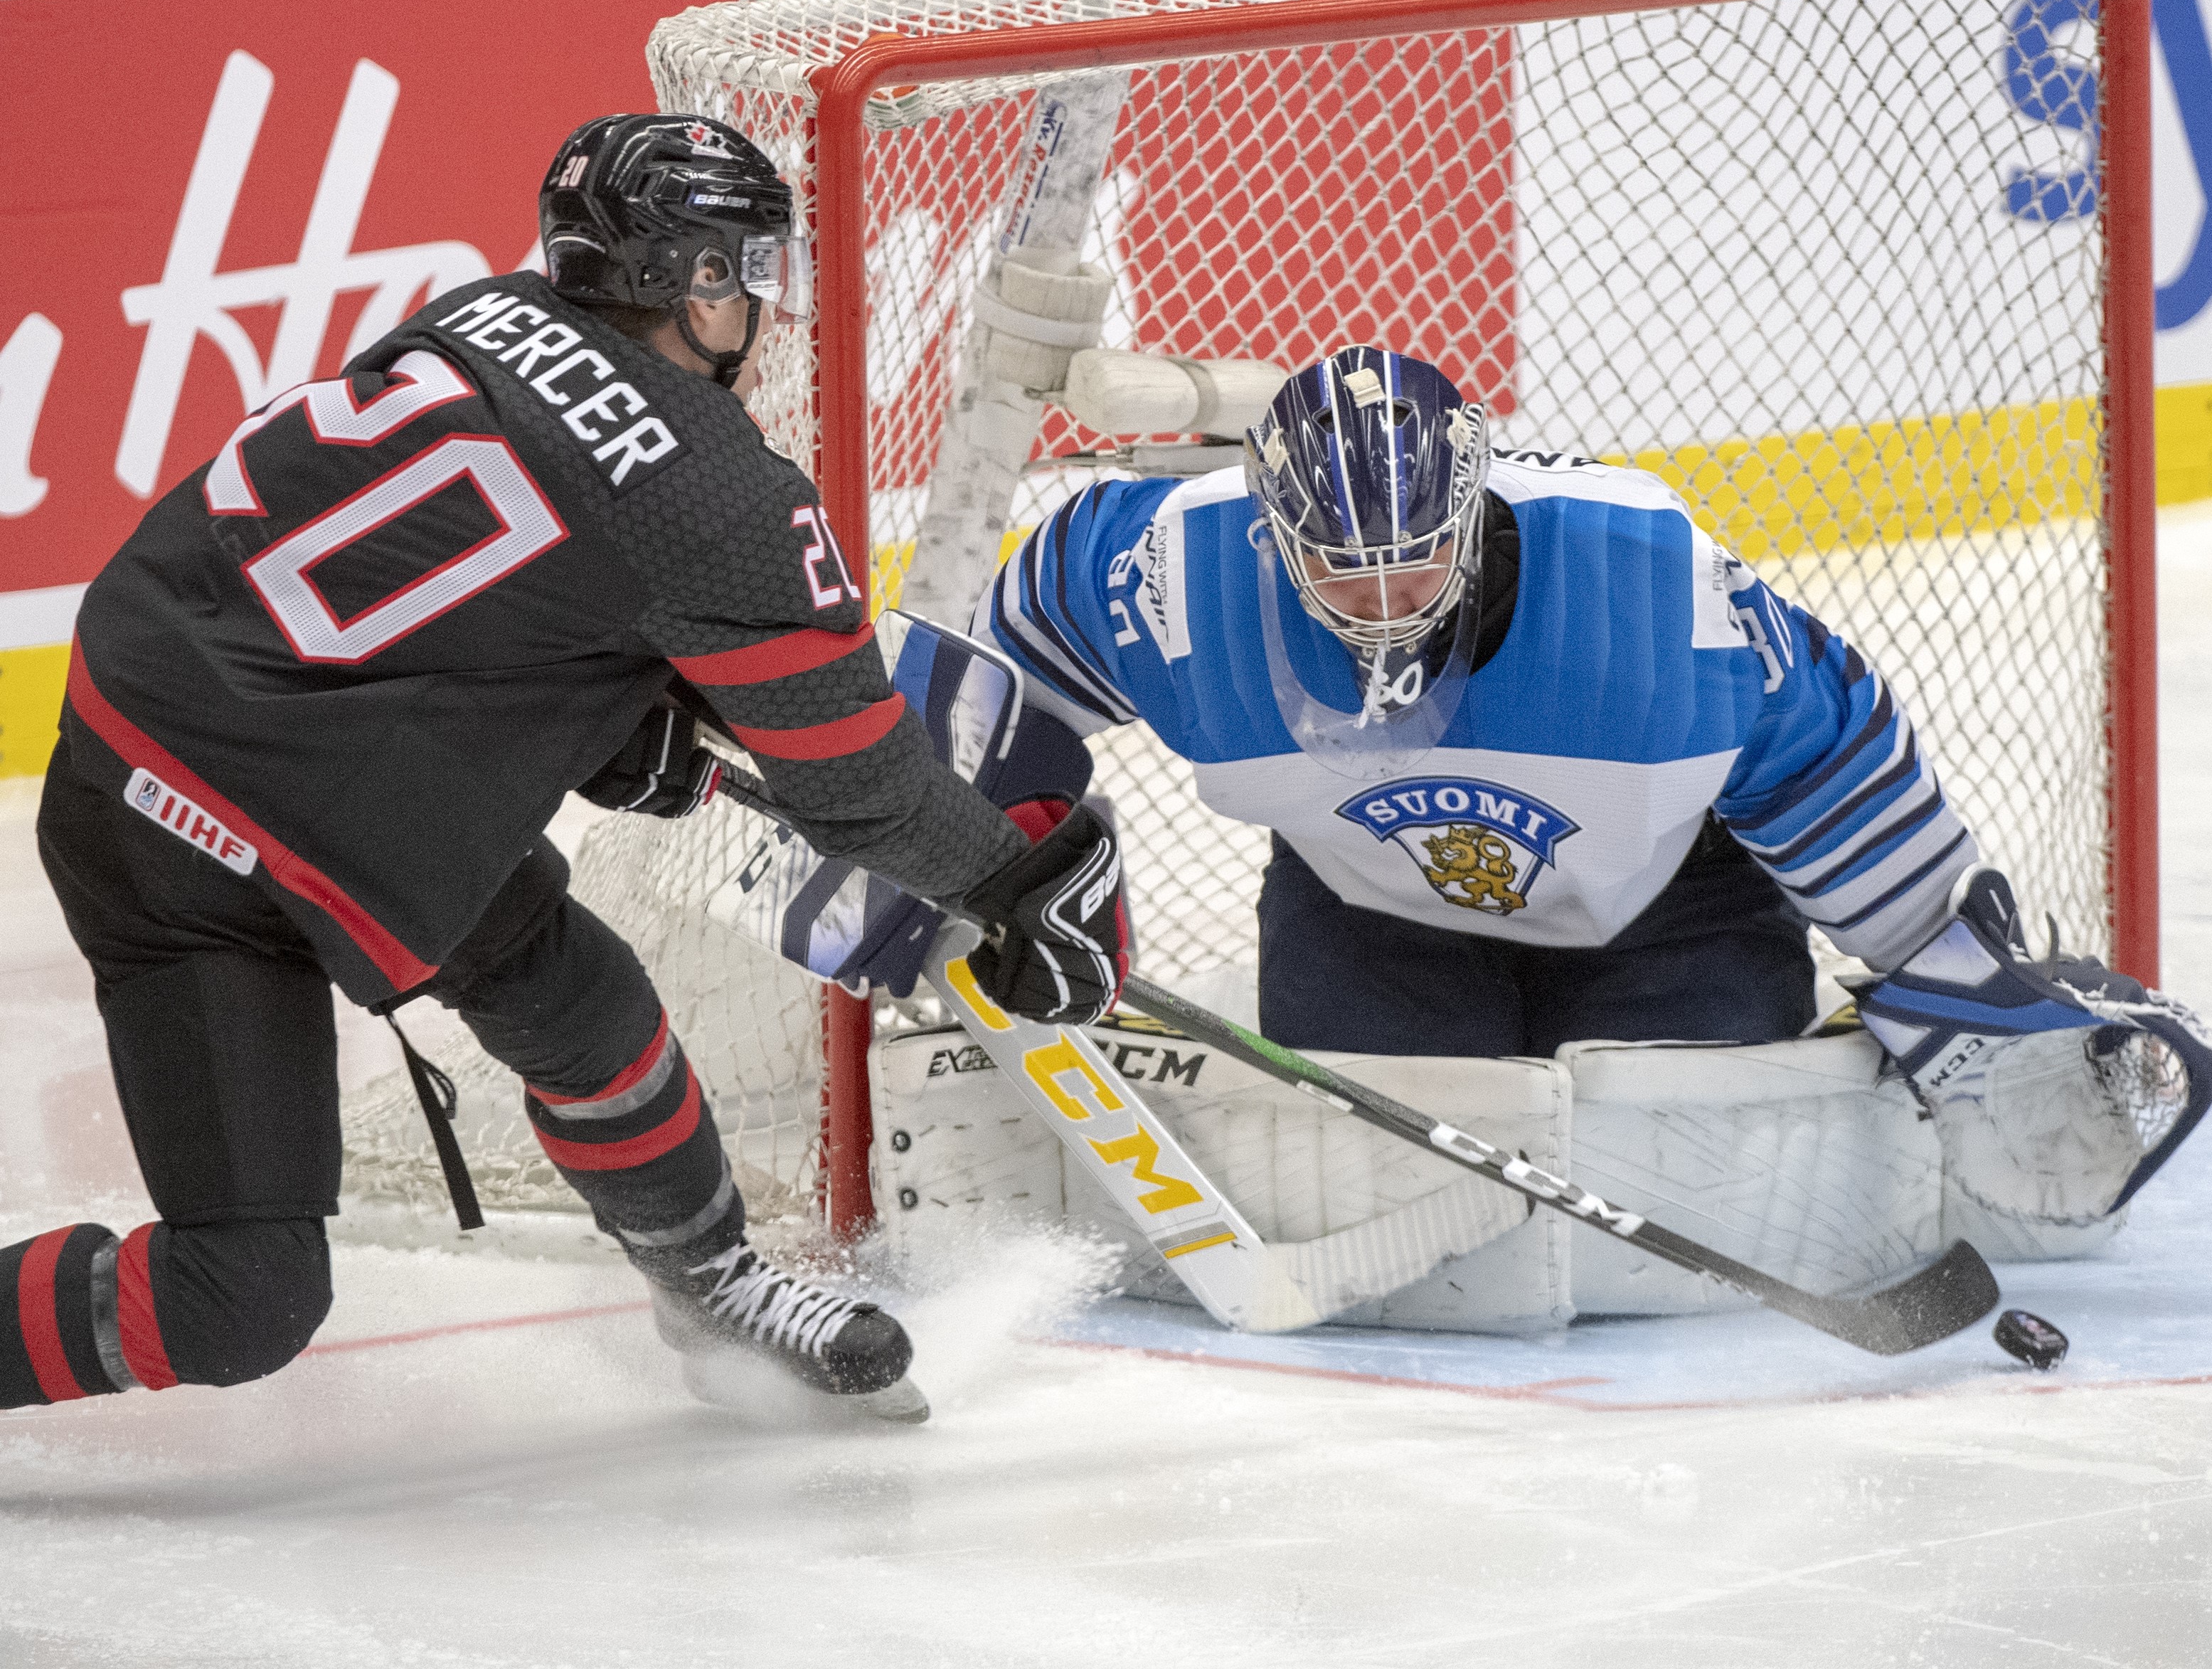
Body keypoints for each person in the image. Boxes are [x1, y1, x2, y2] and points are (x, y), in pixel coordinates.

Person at [4, 113, 1126, 1422]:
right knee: (242, 1297)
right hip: (249, 828)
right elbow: (859, 790)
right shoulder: (723, 500)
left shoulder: (483, 314)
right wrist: (1015, 880)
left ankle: (711, 1283)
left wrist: (597, 715)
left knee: (578, 1008)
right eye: (748, 268)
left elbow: (464, 573)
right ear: (695, 280)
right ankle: (709, 1275)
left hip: (142, 756)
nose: (762, 304)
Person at [970, 342, 2211, 1245]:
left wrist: (1955, 983)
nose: (1386, 605)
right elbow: (1021, 640)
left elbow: (1829, 749)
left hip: (1673, 900)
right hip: (1367, 905)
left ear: (1473, 506)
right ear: (1272, 537)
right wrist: (985, 857)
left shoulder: (1651, 588)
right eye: (1344, 574)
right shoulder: (1174, 571)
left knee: (1700, 1176)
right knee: (1371, 1172)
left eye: (1417, 563)